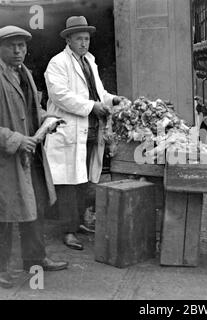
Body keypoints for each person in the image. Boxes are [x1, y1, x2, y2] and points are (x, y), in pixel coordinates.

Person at [44, 16, 125, 250]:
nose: (84, 43)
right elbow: (60, 95)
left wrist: (112, 99)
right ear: (68, 39)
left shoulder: (89, 61)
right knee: (69, 183)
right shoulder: (58, 63)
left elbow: (97, 92)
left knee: (83, 181)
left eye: (87, 38)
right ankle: (68, 231)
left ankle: (78, 223)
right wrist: (92, 107)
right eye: (79, 38)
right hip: (69, 130)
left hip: (89, 130)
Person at [0, 26, 68, 289]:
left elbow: (31, 109)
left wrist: (46, 118)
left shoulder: (24, 73)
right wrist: (16, 140)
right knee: (4, 215)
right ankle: (1, 269)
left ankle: (35, 260)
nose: (18, 51)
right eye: (11, 46)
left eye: (22, 46)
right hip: (6, 160)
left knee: (35, 206)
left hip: (30, 157)